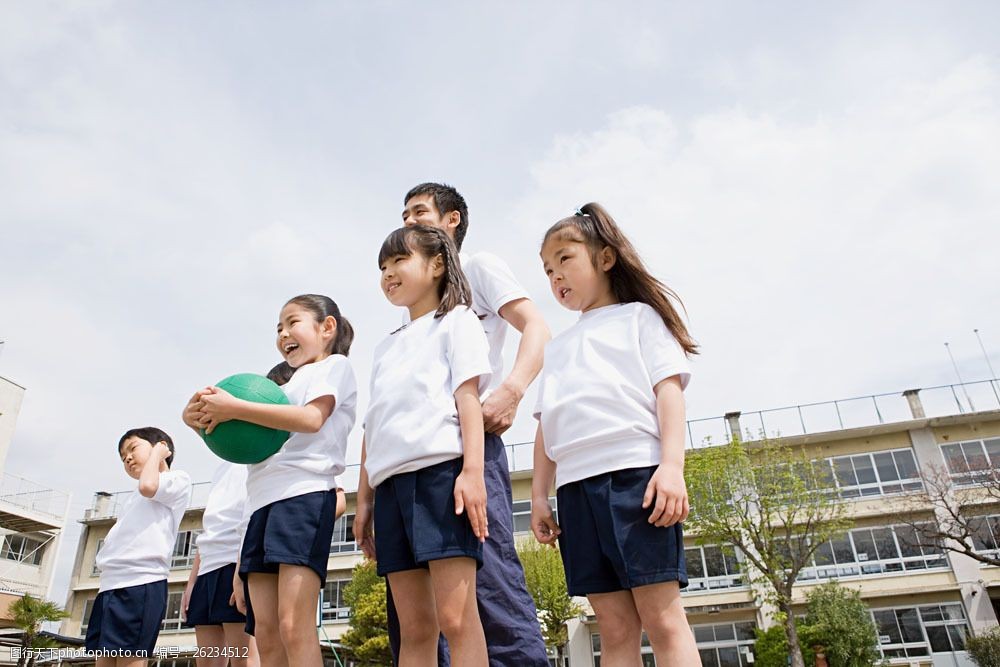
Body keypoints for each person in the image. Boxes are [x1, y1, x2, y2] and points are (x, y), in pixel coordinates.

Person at [530, 203, 702, 665]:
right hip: (575, 491)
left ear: (605, 258)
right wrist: (541, 497)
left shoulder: (639, 318)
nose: (556, 276)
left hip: (637, 480)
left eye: (565, 259)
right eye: (547, 270)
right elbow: (546, 425)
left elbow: (670, 393)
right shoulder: (558, 346)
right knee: (613, 625)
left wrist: (672, 467)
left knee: (663, 618)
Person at [395, 182, 550, 666]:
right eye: (403, 216)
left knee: (488, 584)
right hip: (416, 460)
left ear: (452, 219)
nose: (409, 222)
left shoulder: (476, 267)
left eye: (419, 212)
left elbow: (537, 327)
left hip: (469, 448)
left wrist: (512, 389)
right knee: (421, 611)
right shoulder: (414, 305)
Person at [183, 294, 357, 667]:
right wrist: (197, 422)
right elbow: (247, 450)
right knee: (265, 632)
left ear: (327, 328)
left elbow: (312, 419)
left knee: (295, 625)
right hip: (260, 506)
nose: (283, 333)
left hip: (303, 497)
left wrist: (234, 407)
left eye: (292, 322)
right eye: (278, 328)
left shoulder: (334, 367)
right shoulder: (284, 388)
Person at [355, 224, 491, 666]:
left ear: (436, 265)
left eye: (399, 261)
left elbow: (467, 400)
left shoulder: (457, 321)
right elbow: (372, 427)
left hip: (441, 479)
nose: (388, 272)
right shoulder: (384, 348)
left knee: (456, 618)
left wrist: (473, 472)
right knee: (414, 629)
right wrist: (364, 501)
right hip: (390, 488)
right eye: (383, 266)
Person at [86, 427, 192, 667]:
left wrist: (158, 454)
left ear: (161, 447)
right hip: (110, 585)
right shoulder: (133, 497)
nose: (128, 458)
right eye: (123, 457)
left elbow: (148, 486)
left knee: (129, 660)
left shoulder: (176, 479)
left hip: (139, 582)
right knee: (103, 661)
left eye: (133, 448)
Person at [180, 461, 258, 667]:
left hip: (235, 562)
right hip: (207, 569)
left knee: (242, 657)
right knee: (207, 660)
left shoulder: (259, 453)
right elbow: (209, 530)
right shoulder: (221, 468)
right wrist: (191, 583)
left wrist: (243, 571)